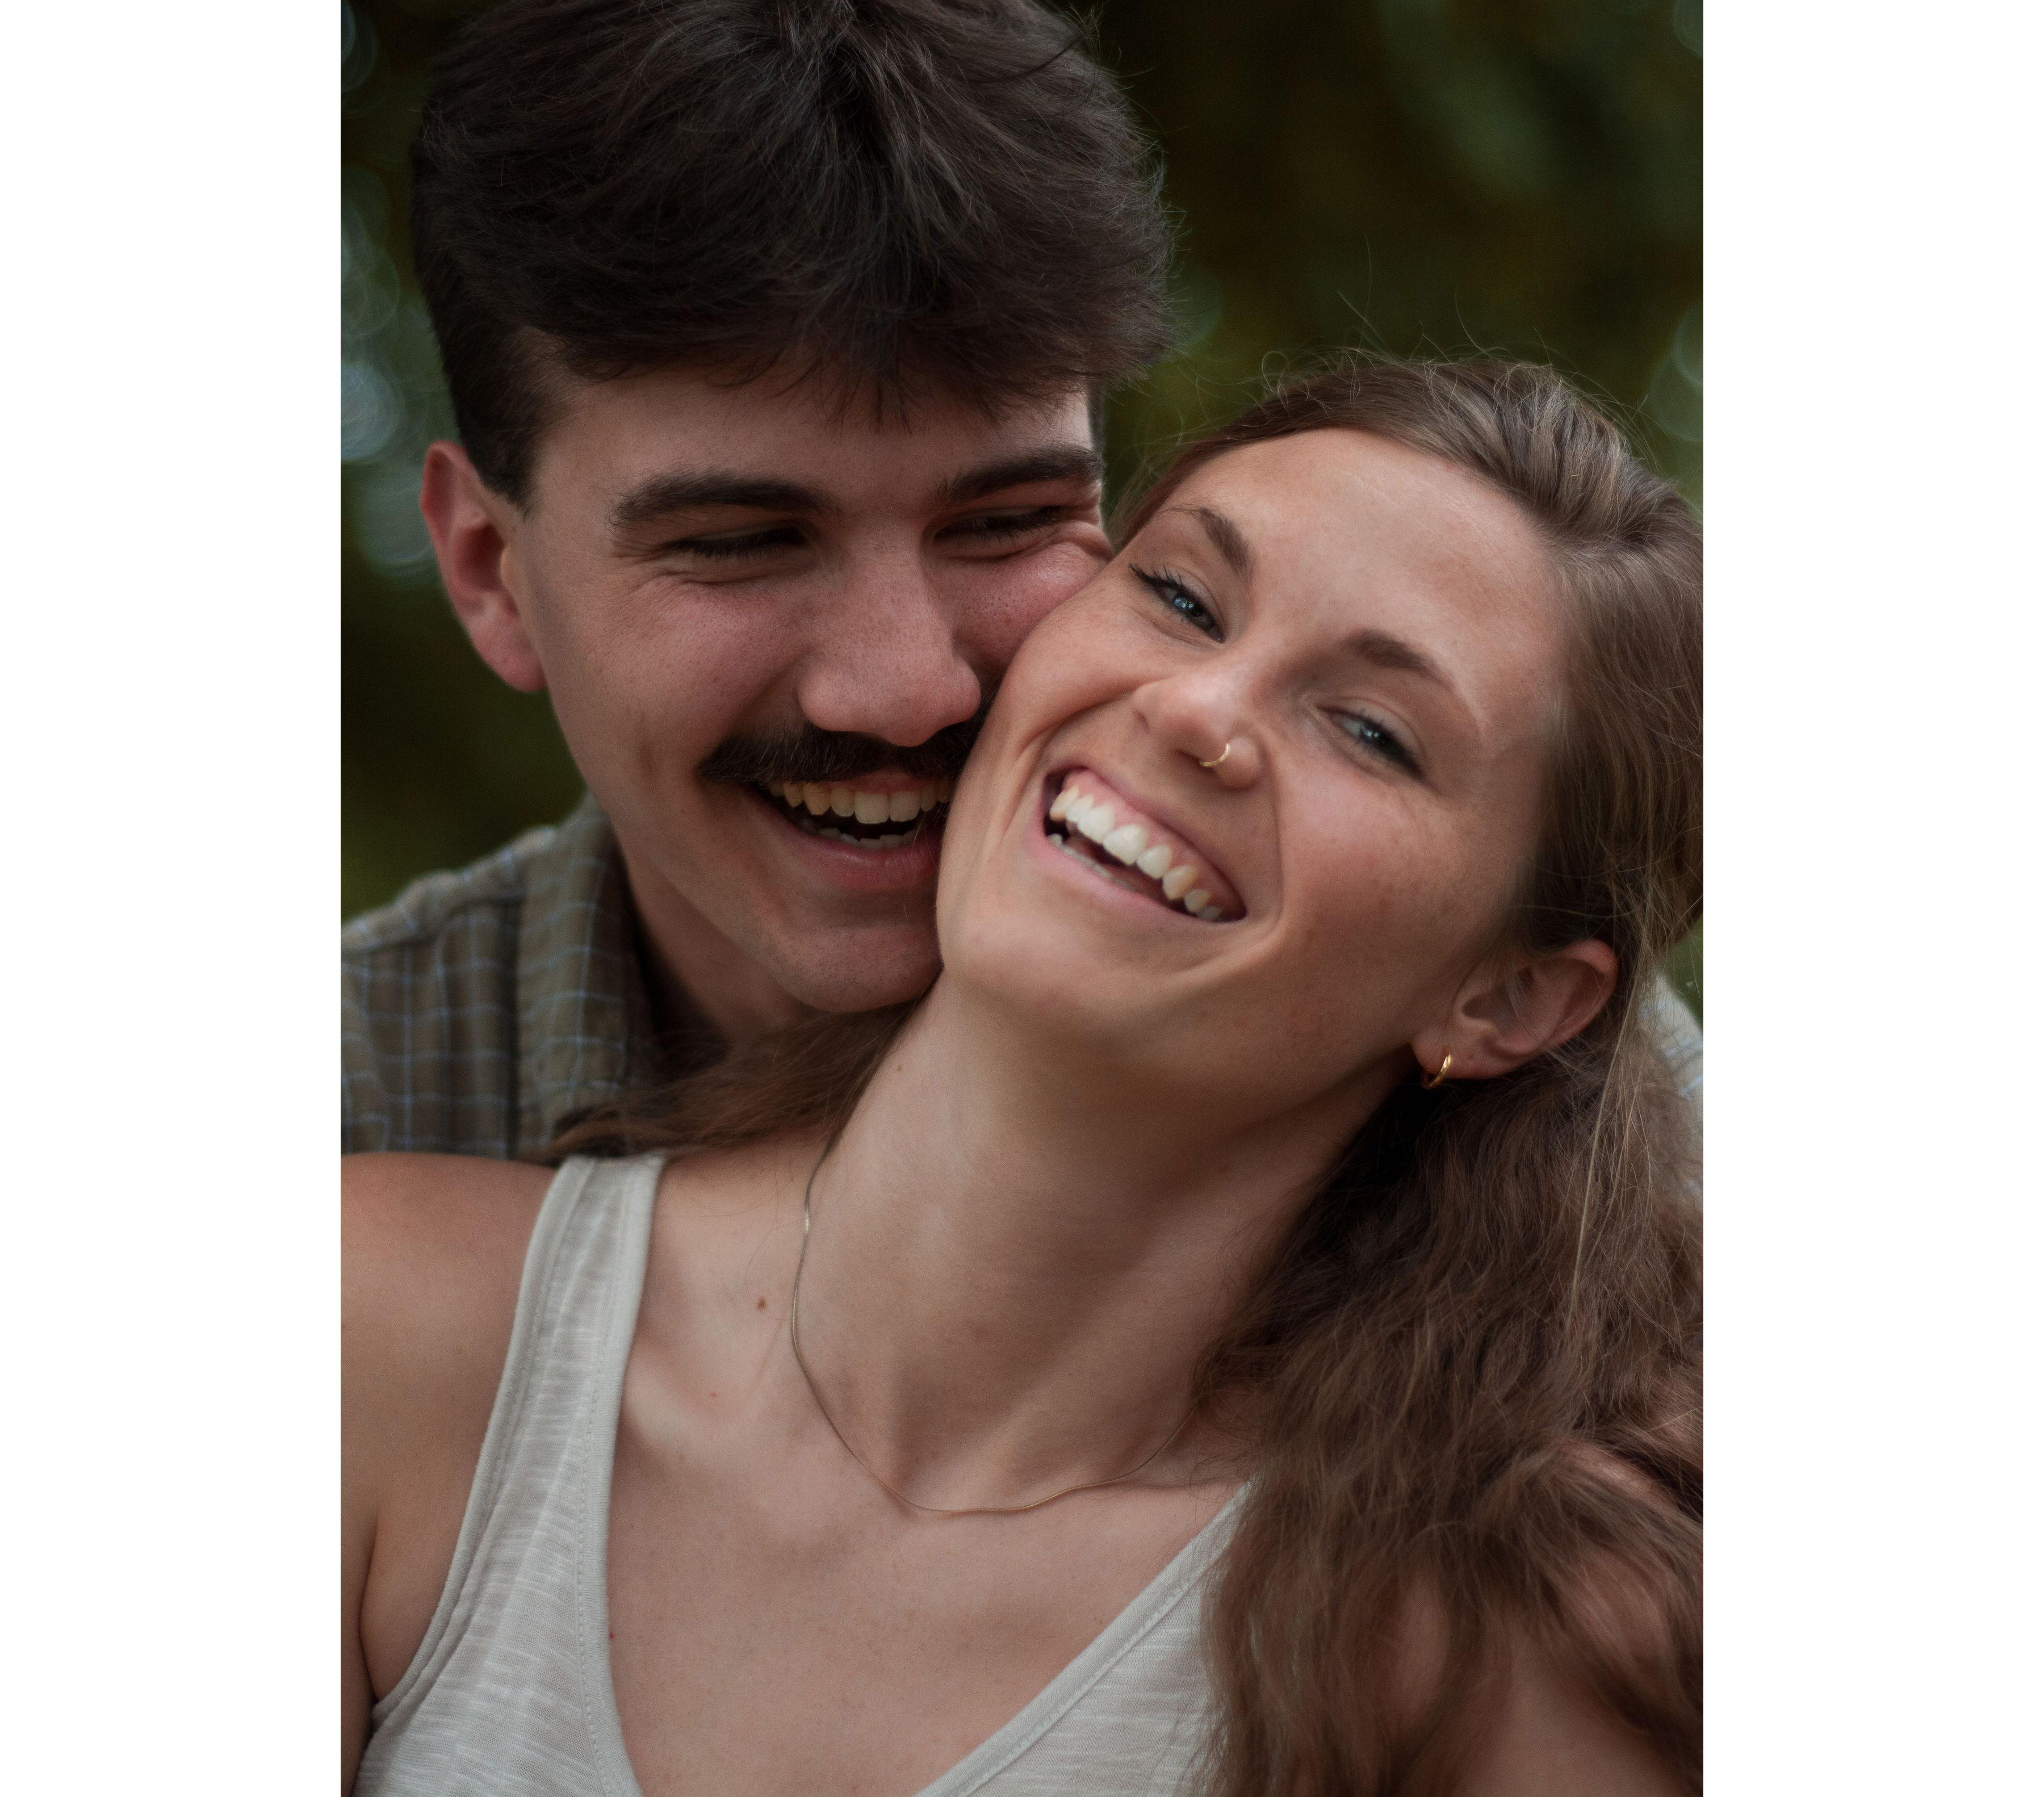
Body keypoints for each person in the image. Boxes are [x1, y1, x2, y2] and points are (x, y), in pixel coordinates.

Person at [344, 359, 1703, 1795]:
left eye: (1371, 731)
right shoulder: (372, 1330)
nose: (1196, 710)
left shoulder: (1494, 1657)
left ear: (1509, 997)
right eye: (1181, 598)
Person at [341, 0, 1703, 1159]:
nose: (907, 690)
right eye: (742, 542)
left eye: (1002, 524)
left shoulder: (1587, 1118)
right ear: (491, 575)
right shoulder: (355, 1117)